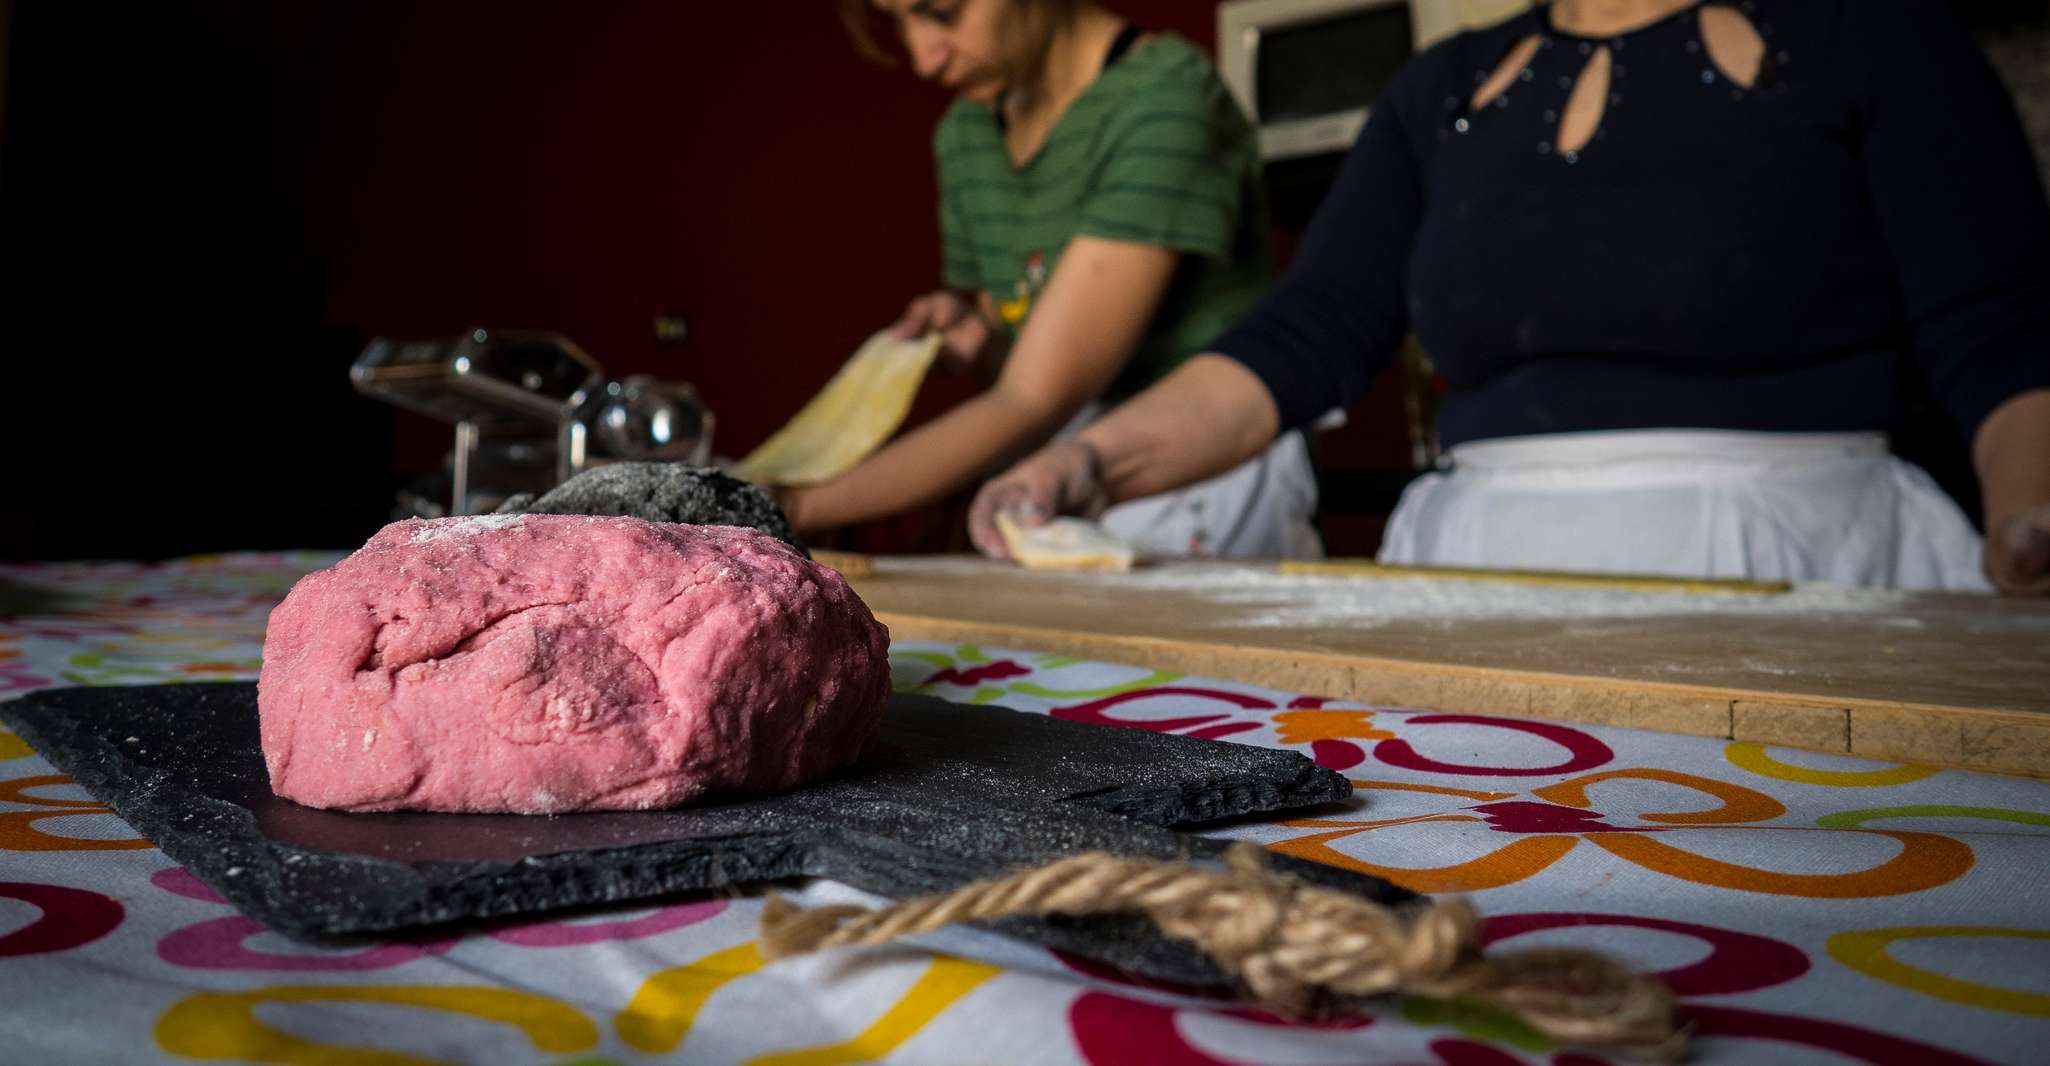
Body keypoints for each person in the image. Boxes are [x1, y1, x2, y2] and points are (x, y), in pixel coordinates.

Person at [972, 0, 2050, 593]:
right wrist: (1088, 462)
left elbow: (2003, 339)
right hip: (1478, 570)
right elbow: (1305, 334)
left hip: (1803, 566)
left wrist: (2030, 514)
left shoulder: (1878, 37)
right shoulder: (1438, 90)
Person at [775, 0, 1323, 559]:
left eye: (942, 12)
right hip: (1049, 475)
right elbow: (1021, 366)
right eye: (897, 21)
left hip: (1205, 476)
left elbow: (1032, 397)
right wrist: (986, 336)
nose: (923, 58)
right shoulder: (967, 134)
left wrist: (788, 507)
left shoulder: (1165, 99)